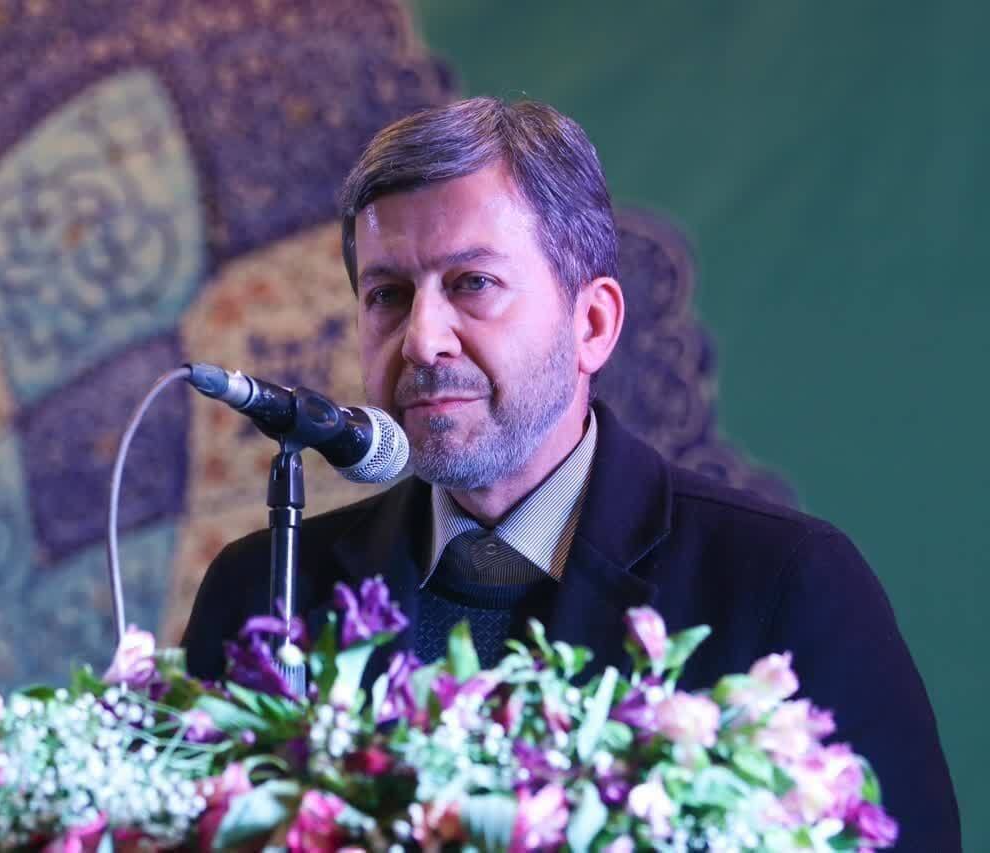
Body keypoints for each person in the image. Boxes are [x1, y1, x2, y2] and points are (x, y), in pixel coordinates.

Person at [182, 97, 960, 849]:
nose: (421, 339)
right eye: (388, 295)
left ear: (593, 324)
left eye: (471, 283)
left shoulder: (785, 585)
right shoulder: (266, 592)